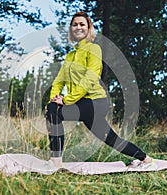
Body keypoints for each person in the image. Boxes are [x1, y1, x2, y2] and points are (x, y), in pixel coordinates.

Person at [46, 12, 154, 169]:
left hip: (96, 102)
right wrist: (54, 97)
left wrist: (66, 100)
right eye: (75, 24)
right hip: (81, 102)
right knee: (112, 139)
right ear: (71, 29)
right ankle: (145, 158)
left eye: (82, 24)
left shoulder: (93, 49)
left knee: (53, 111)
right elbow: (59, 80)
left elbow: (90, 78)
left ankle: (56, 161)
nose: (78, 27)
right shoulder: (70, 56)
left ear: (89, 28)